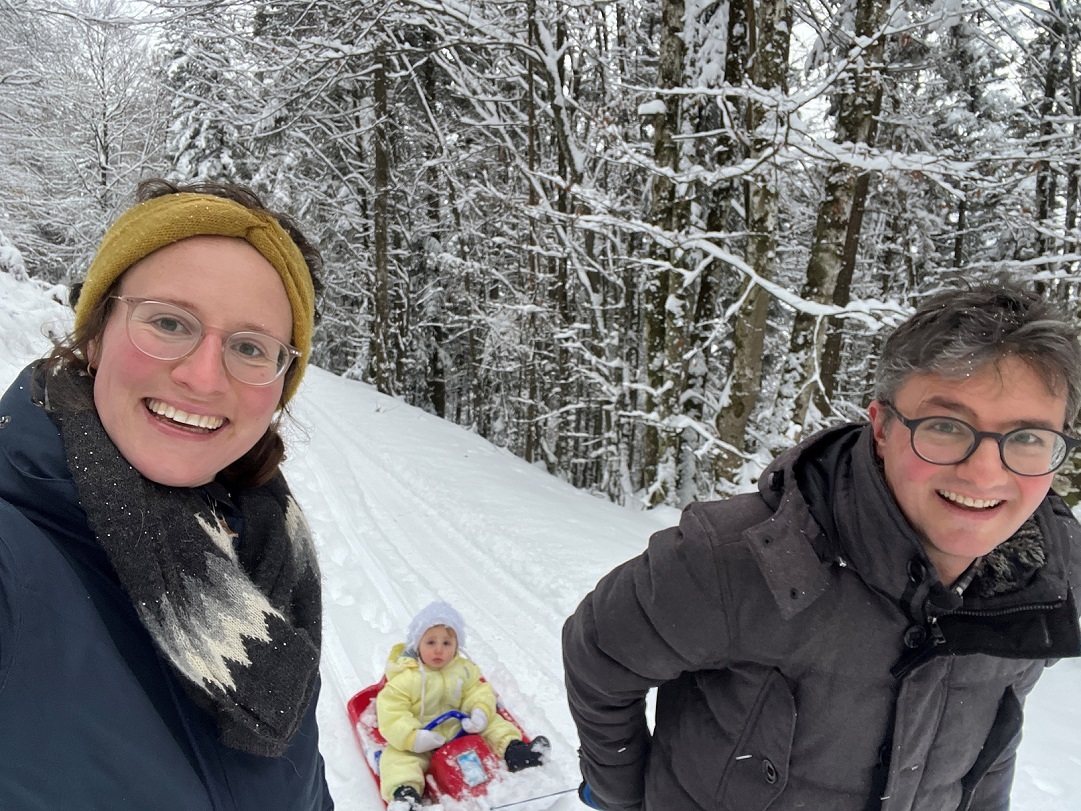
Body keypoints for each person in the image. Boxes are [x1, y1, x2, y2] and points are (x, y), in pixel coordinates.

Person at [563, 278, 1081, 811]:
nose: (983, 473)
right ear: (881, 429)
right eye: (946, 426)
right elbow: (599, 652)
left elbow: (994, 745)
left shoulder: (1047, 583)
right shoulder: (738, 560)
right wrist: (620, 794)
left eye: (1026, 438)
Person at [0, 178, 334, 809]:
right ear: (96, 335)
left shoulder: (270, 548)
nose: (204, 376)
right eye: (169, 323)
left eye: (249, 347)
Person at [376, 601, 550, 808]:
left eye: (447, 643)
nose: (439, 650)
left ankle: (515, 751)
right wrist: (413, 737)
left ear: (457, 646)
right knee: (397, 757)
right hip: (423, 736)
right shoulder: (406, 679)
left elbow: (478, 690)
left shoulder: (464, 669)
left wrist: (479, 712)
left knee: (495, 723)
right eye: (431, 642)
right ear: (417, 644)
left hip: (462, 729)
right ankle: (405, 794)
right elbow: (391, 713)